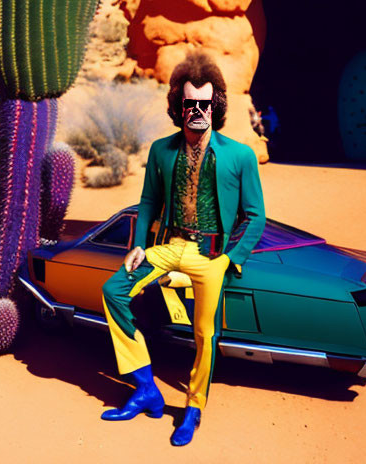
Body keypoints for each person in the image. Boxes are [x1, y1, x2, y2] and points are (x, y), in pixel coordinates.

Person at [100, 50, 265, 445]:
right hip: (169, 247)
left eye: (204, 103)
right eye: (189, 103)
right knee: (113, 291)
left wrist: (230, 260)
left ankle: (193, 409)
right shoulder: (161, 150)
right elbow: (148, 203)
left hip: (212, 257)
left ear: (216, 105)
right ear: (178, 105)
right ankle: (145, 388)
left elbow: (255, 216)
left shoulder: (240, 156)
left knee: (204, 334)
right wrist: (139, 245)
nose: (197, 110)